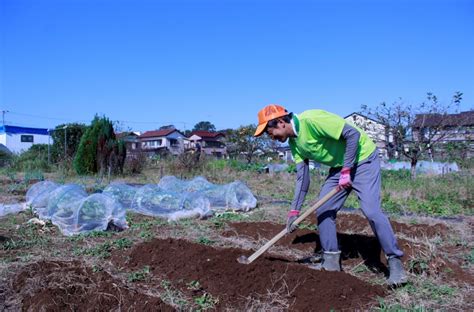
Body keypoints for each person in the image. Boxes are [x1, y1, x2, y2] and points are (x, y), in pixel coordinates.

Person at [254, 104, 407, 286]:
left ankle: (395, 264)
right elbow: (303, 179)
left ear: (280, 122)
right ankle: (331, 263)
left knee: (371, 210)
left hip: (363, 158)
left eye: (269, 131)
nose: (270, 137)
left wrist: (347, 170)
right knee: (324, 209)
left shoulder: (312, 120)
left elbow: (353, 135)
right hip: (340, 166)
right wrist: (294, 211)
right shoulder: (295, 144)